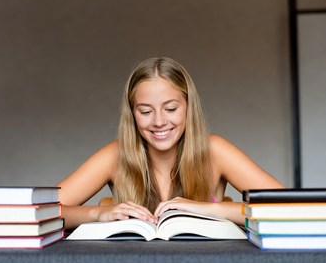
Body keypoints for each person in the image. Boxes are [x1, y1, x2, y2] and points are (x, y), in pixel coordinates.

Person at [57, 57, 284, 229]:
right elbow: (38, 212)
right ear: (132, 114)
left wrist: (211, 209)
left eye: (171, 109)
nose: (158, 121)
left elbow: (290, 208)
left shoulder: (214, 150)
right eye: (145, 111)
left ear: (188, 107)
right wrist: (97, 214)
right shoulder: (116, 154)